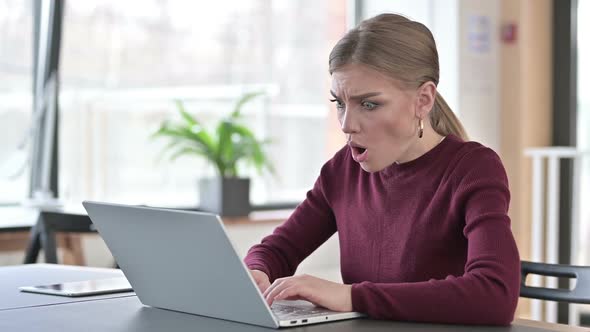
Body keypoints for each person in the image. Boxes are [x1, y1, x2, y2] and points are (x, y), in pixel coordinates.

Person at [244, 13, 520, 325]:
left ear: (423, 99)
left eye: (369, 104)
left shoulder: (473, 169)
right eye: (339, 103)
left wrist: (351, 296)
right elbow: (277, 250)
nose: (348, 125)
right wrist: (256, 273)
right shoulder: (342, 170)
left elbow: (495, 295)